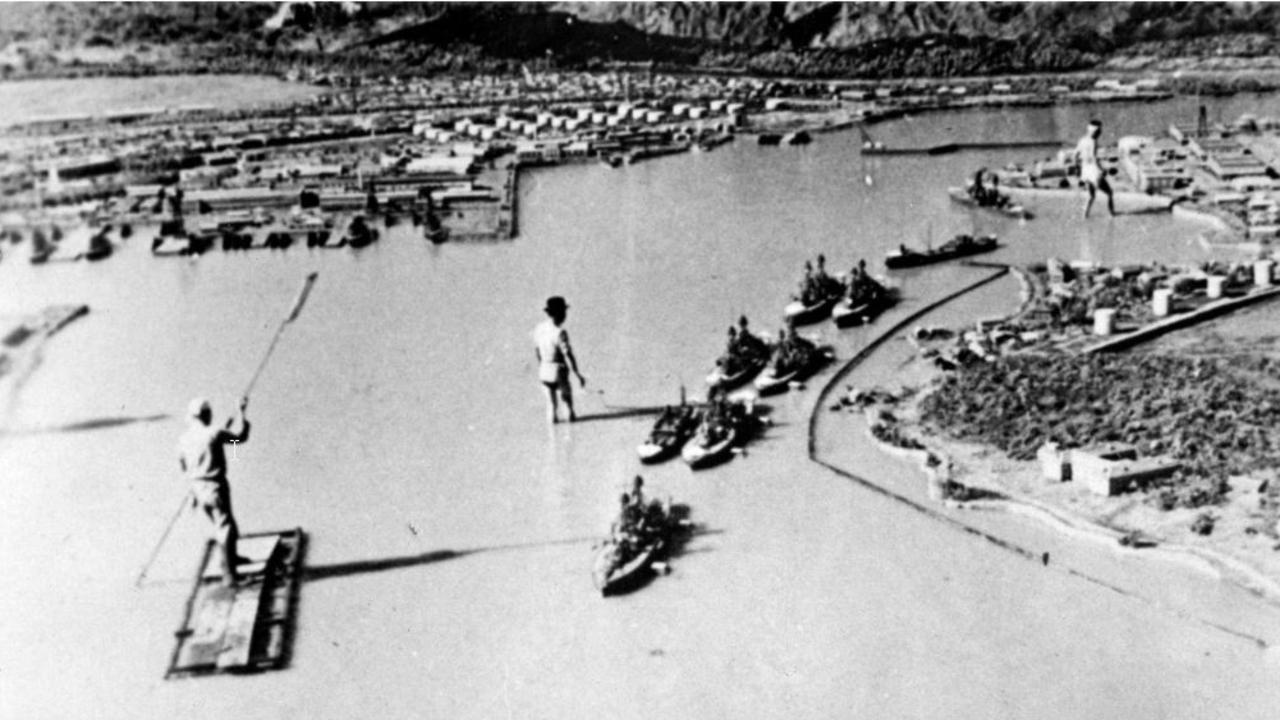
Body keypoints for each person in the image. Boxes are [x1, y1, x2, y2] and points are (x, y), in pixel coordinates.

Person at [178, 396, 250, 587]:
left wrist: (192, 492)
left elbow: (183, 466)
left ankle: (231, 559)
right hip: (216, 487)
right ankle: (229, 576)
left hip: (198, 490)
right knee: (226, 527)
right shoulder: (215, 433)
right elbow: (240, 437)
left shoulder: (184, 439)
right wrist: (242, 411)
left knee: (224, 525)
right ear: (206, 414)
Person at [533, 296, 586, 423]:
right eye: (564, 312)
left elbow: (537, 351)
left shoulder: (539, 329)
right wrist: (578, 374)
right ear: (559, 312)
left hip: (544, 370)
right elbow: (568, 354)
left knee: (551, 407)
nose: (565, 315)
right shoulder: (560, 332)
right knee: (567, 406)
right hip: (559, 371)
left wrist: (541, 366)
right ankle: (571, 435)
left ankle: (552, 438)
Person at [1075, 119, 1116, 219]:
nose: (1100, 133)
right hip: (1094, 172)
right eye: (1099, 131)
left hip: (1085, 172)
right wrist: (1102, 170)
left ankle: (1085, 216)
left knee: (1091, 196)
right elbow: (1093, 158)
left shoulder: (1082, 140)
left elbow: (1075, 155)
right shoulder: (1093, 142)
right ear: (1095, 131)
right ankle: (1112, 215)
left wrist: (1078, 170)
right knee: (1110, 192)